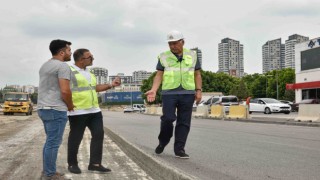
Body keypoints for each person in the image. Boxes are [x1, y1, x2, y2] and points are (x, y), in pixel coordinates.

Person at [145, 30, 202, 159]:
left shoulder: (192, 55)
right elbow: (159, 75)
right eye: (170, 44)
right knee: (168, 119)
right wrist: (154, 89)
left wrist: (198, 90)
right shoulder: (163, 56)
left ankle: (179, 149)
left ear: (183, 42)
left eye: (175, 43)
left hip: (187, 93)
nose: (172, 46)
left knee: (184, 122)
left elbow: (197, 74)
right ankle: (163, 142)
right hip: (169, 93)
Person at [67, 48, 121, 174]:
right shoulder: (70, 71)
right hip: (78, 111)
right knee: (76, 138)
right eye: (90, 57)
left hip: (94, 110)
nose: (93, 59)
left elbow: (94, 88)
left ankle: (95, 164)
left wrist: (111, 85)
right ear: (81, 59)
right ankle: (72, 164)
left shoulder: (89, 72)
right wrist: (68, 106)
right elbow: (64, 90)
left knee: (98, 134)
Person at [38, 39, 75, 180]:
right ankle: (50, 174)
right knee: (53, 143)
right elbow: (65, 91)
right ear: (62, 52)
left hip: (43, 108)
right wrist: (70, 106)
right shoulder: (63, 66)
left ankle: (48, 170)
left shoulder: (45, 66)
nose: (70, 52)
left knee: (50, 142)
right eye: (69, 50)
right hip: (55, 109)